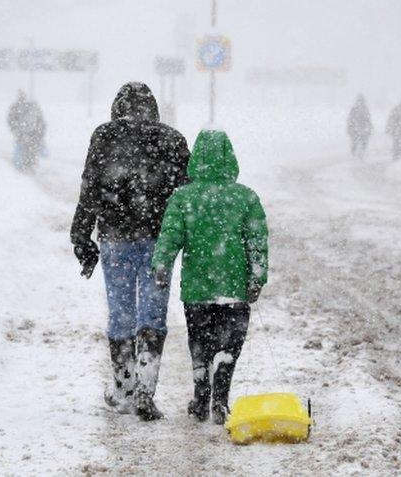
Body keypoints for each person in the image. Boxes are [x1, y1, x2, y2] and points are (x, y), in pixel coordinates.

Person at [70, 82, 190, 421]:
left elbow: (90, 186)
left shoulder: (104, 137)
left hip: (115, 238)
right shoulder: (172, 139)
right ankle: (145, 391)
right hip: (158, 241)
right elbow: (185, 196)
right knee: (153, 314)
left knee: (121, 311)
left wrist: (80, 234)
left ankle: (122, 389)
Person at [152, 129, 269, 425]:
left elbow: (170, 236)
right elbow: (257, 240)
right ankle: (220, 398)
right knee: (231, 344)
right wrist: (256, 276)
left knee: (200, 342)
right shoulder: (246, 198)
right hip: (235, 287)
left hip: (198, 288)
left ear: (197, 159)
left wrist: (162, 264)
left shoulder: (183, 198)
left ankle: (201, 395)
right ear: (230, 158)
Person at [7, 90, 48, 172]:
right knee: (27, 149)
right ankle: (27, 165)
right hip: (27, 134)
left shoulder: (26, 107)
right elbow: (11, 120)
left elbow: (40, 122)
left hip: (29, 134)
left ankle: (29, 165)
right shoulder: (19, 107)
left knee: (30, 149)